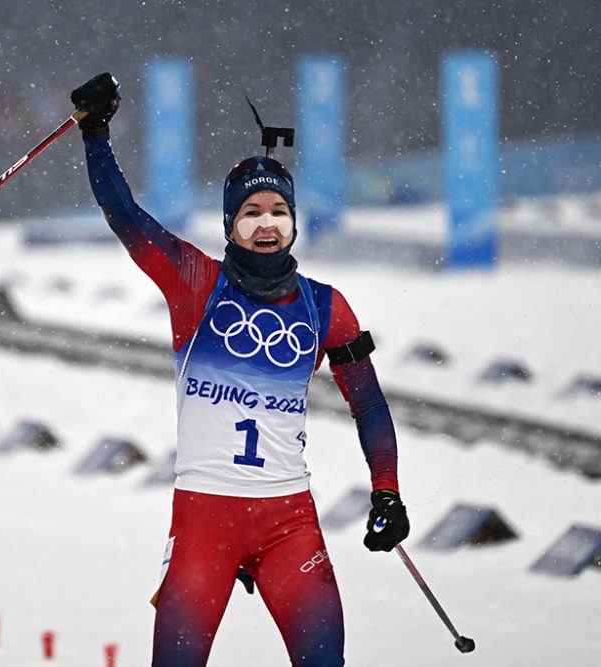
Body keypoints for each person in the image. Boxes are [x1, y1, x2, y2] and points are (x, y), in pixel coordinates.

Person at [71, 73, 410, 667]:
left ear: (295, 221)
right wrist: (96, 132)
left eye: (279, 209)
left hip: (289, 524)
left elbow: (371, 405)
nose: (266, 222)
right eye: (250, 211)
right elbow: (125, 215)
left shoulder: (326, 306)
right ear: (229, 224)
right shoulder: (196, 283)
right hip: (205, 521)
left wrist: (388, 493)